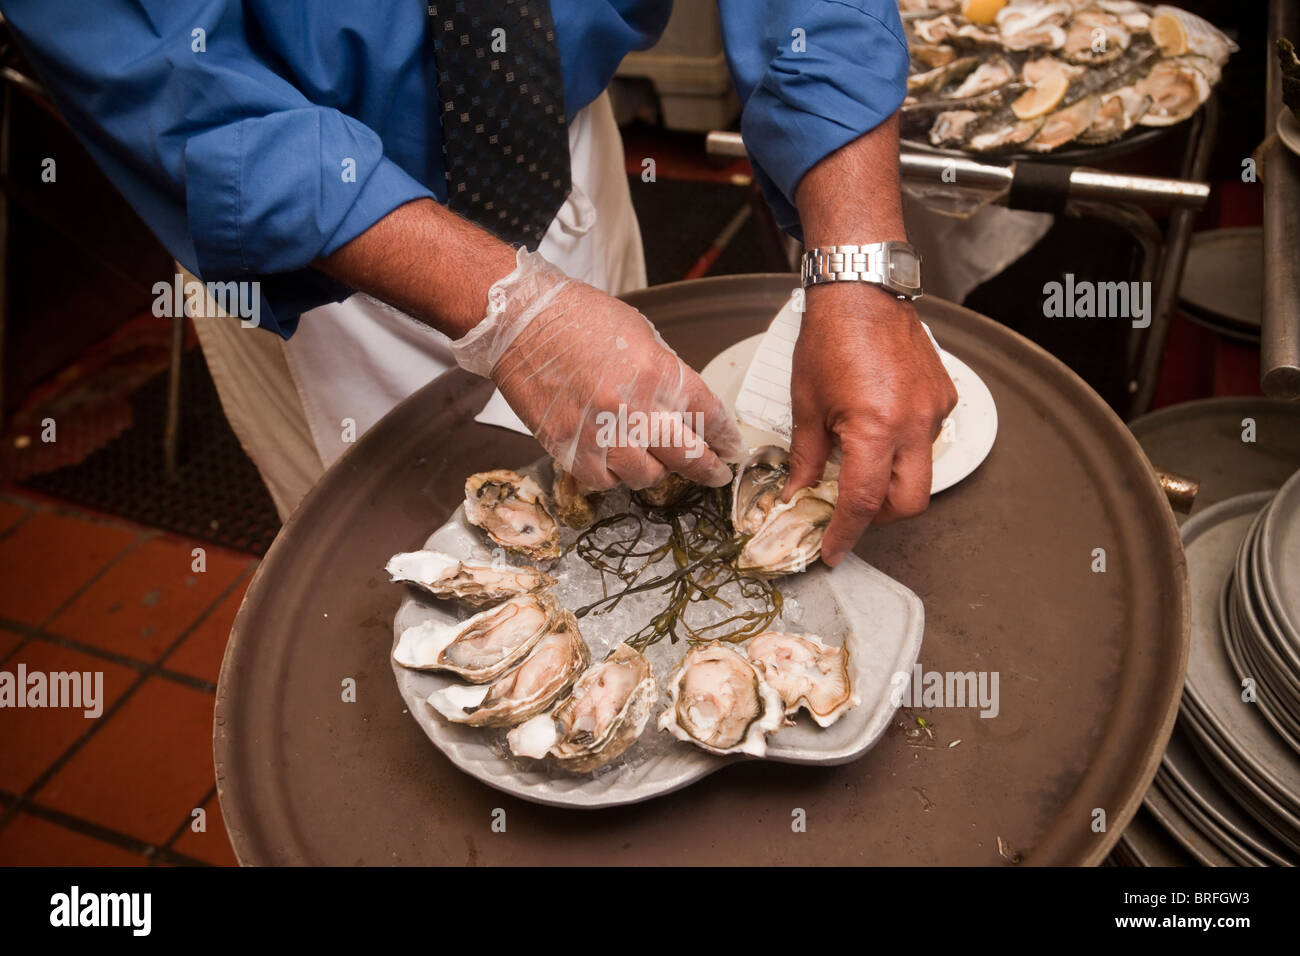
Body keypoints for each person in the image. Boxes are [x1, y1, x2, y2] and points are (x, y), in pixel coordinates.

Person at [1, 1, 956, 566]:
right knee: (404, 616)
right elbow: (158, 60)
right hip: (320, 250)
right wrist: (515, 314)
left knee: (634, 528)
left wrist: (860, 264)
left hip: (565, 141)